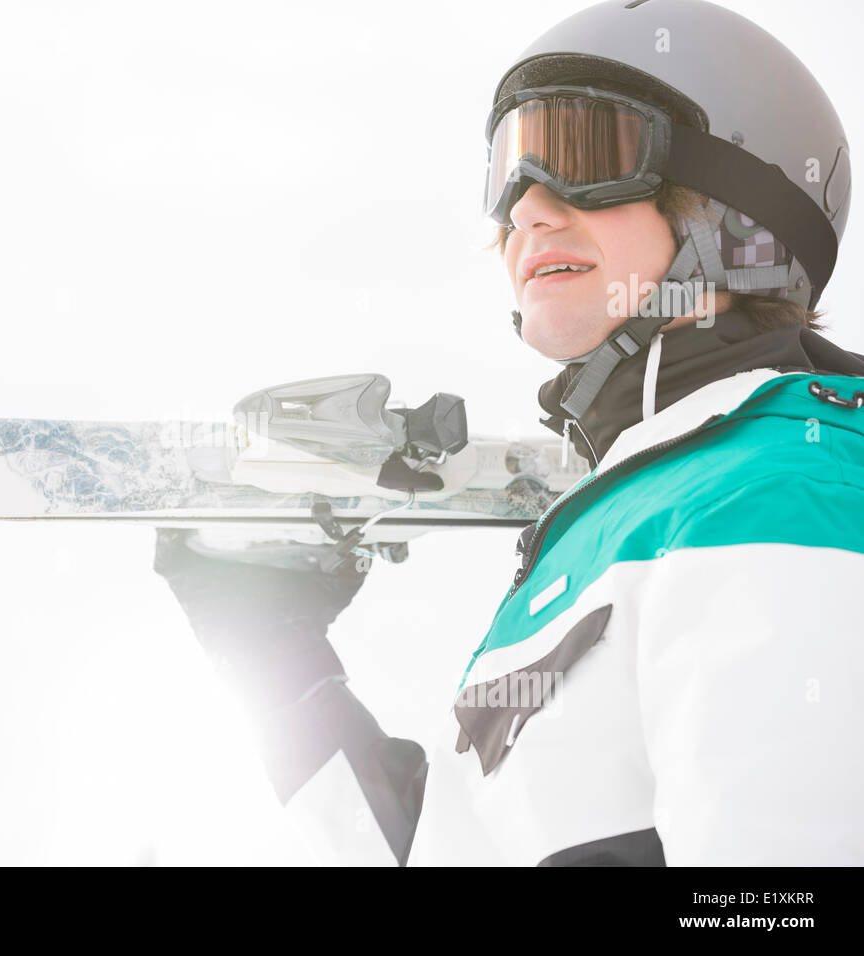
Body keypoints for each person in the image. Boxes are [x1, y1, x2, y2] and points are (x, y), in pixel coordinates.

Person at [155, 0, 864, 865]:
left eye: (581, 156)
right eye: (509, 173)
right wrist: (279, 668)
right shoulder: (609, 526)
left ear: (737, 218)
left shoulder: (781, 484)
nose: (527, 209)